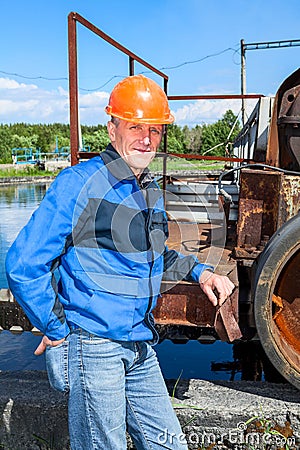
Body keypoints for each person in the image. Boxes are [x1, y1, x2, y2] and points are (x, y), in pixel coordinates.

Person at [6, 74, 235, 450]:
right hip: (95, 346)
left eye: (155, 130)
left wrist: (201, 271)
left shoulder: (150, 191)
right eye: (135, 127)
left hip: (140, 344)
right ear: (112, 130)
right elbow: (23, 264)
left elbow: (154, 255)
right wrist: (56, 328)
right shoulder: (77, 184)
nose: (146, 139)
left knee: (169, 444)